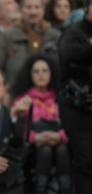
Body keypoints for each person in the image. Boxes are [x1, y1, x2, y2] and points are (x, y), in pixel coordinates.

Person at [9, 55, 71, 194]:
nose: (41, 74)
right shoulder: (22, 99)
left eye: (45, 70)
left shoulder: (61, 96)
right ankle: (40, 190)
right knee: (45, 150)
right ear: (29, 74)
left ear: (52, 73)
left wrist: (60, 136)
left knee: (61, 149)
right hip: (33, 150)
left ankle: (65, 189)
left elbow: (73, 125)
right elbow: (18, 129)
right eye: (36, 71)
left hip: (62, 147)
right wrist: (35, 137)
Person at [58, 0, 92, 194]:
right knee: (85, 160)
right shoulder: (73, 33)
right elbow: (70, 53)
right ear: (87, 9)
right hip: (76, 107)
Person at [0, 0, 61, 87]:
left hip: (50, 94)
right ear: (20, 10)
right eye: (28, 7)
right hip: (15, 92)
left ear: (43, 10)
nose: (33, 12)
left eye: (37, 7)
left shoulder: (55, 36)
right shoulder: (7, 35)